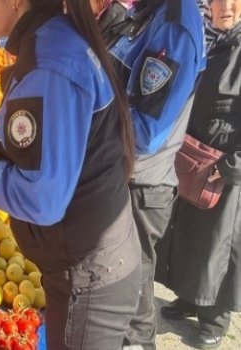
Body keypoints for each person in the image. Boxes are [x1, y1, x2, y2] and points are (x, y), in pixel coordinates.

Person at [0, 0, 141, 348]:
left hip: (88, 276)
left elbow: (42, 198)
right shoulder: (54, 41)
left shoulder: (51, 63)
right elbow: (48, 143)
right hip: (90, 265)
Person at [101, 1, 207, 348]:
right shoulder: (146, 10)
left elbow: (146, 130)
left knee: (132, 298)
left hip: (140, 188)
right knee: (117, 293)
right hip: (120, 176)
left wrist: (88, 120)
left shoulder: (174, 24)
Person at [156, 0, 241, 348]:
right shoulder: (206, 38)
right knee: (190, 235)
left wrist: (230, 166)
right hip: (193, 158)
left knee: (218, 244)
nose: (227, 6)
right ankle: (191, 298)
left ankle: (216, 318)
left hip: (224, 170)